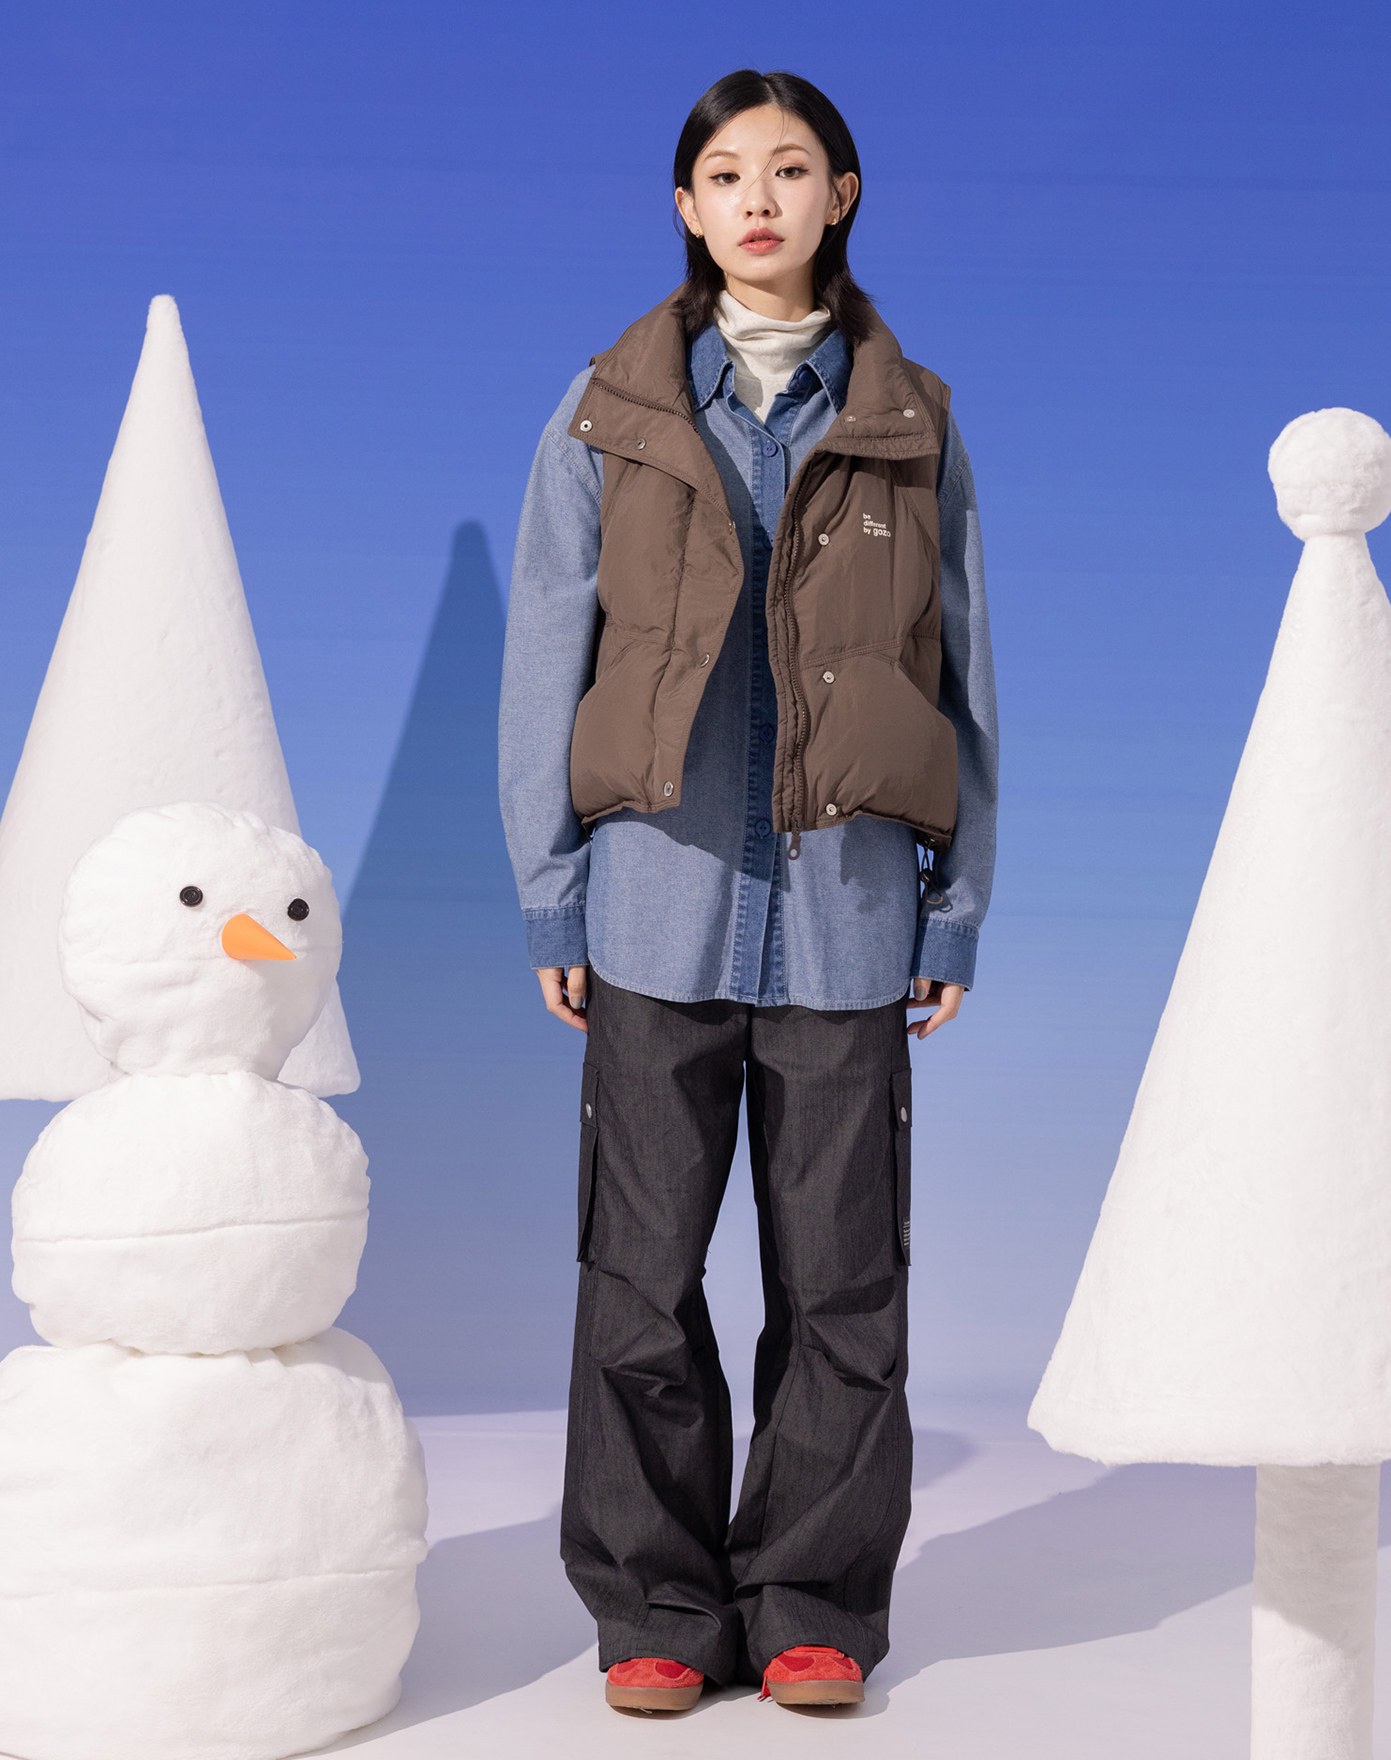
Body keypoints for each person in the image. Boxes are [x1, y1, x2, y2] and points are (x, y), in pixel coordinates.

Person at [497, 67, 998, 1716]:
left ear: (842, 195)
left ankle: (811, 1605)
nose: (759, 198)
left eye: (791, 169)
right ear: (687, 206)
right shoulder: (607, 413)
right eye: (726, 173)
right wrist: (552, 893)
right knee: (637, 1282)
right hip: (655, 909)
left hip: (850, 922)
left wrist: (955, 902)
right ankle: (654, 1602)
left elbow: (964, 672)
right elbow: (545, 661)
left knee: (843, 1287)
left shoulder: (913, 419)